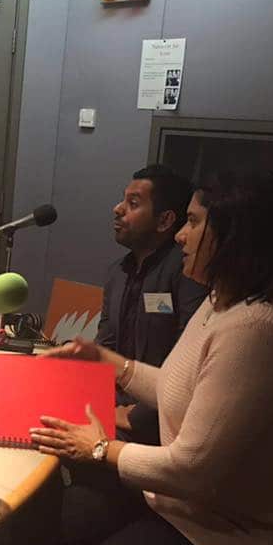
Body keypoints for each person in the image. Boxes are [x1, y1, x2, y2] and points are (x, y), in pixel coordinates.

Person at [30, 171, 273, 545]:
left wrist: (99, 448)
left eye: (193, 222)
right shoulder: (221, 302)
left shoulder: (260, 330)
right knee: (41, 532)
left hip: (234, 539)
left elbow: (192, 469)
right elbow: (178, 388)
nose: (181, 236)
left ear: (233, 233)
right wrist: (106, 361)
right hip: (180, 508)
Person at [97, 165, 207, 444]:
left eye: (133, 203)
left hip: (160, 420)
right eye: (123, 200)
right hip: (111, 408)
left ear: (165, 220)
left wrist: (137, 416)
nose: (117, 209)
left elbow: (189, 366)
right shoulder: (117, 272)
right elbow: (105, 346)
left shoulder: (187, 273)